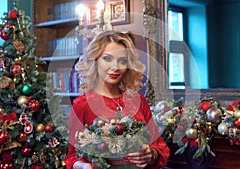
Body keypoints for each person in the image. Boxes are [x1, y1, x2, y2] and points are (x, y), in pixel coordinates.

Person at [64, 30, 170, 169]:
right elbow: (71, 158)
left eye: (122, 61)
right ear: (95, 60)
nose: (115, 67)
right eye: (107, 59)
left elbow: (160, 147)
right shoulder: (82, 105)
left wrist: (151, 154)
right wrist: (85, 167)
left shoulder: (138, 101)